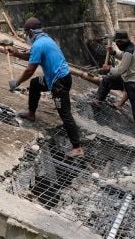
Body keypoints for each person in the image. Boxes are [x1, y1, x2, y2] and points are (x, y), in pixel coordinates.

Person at [7, 18, 83, 158]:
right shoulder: (45, 40)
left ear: (30, 31)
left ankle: (77, 147)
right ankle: (31, 113)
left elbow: (30, 70)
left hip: (59, 82)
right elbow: (31, 56)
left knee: (64, 113)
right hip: (55, 78)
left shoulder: (39, 44)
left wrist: (17, 83)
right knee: (35, 83)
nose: (26, 35)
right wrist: (16, 53)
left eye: (26, 32)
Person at [93, 31, 135, 137]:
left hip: (132, 81)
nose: (117, 45)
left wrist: (109, 68)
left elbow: (120, 70)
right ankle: (99, 101)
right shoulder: (128, 47)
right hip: (126, 77)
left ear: (122, 42)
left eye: (117, 43)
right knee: (107, 80)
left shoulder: (129, 51)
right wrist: (113, 52)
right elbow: (122, 56)